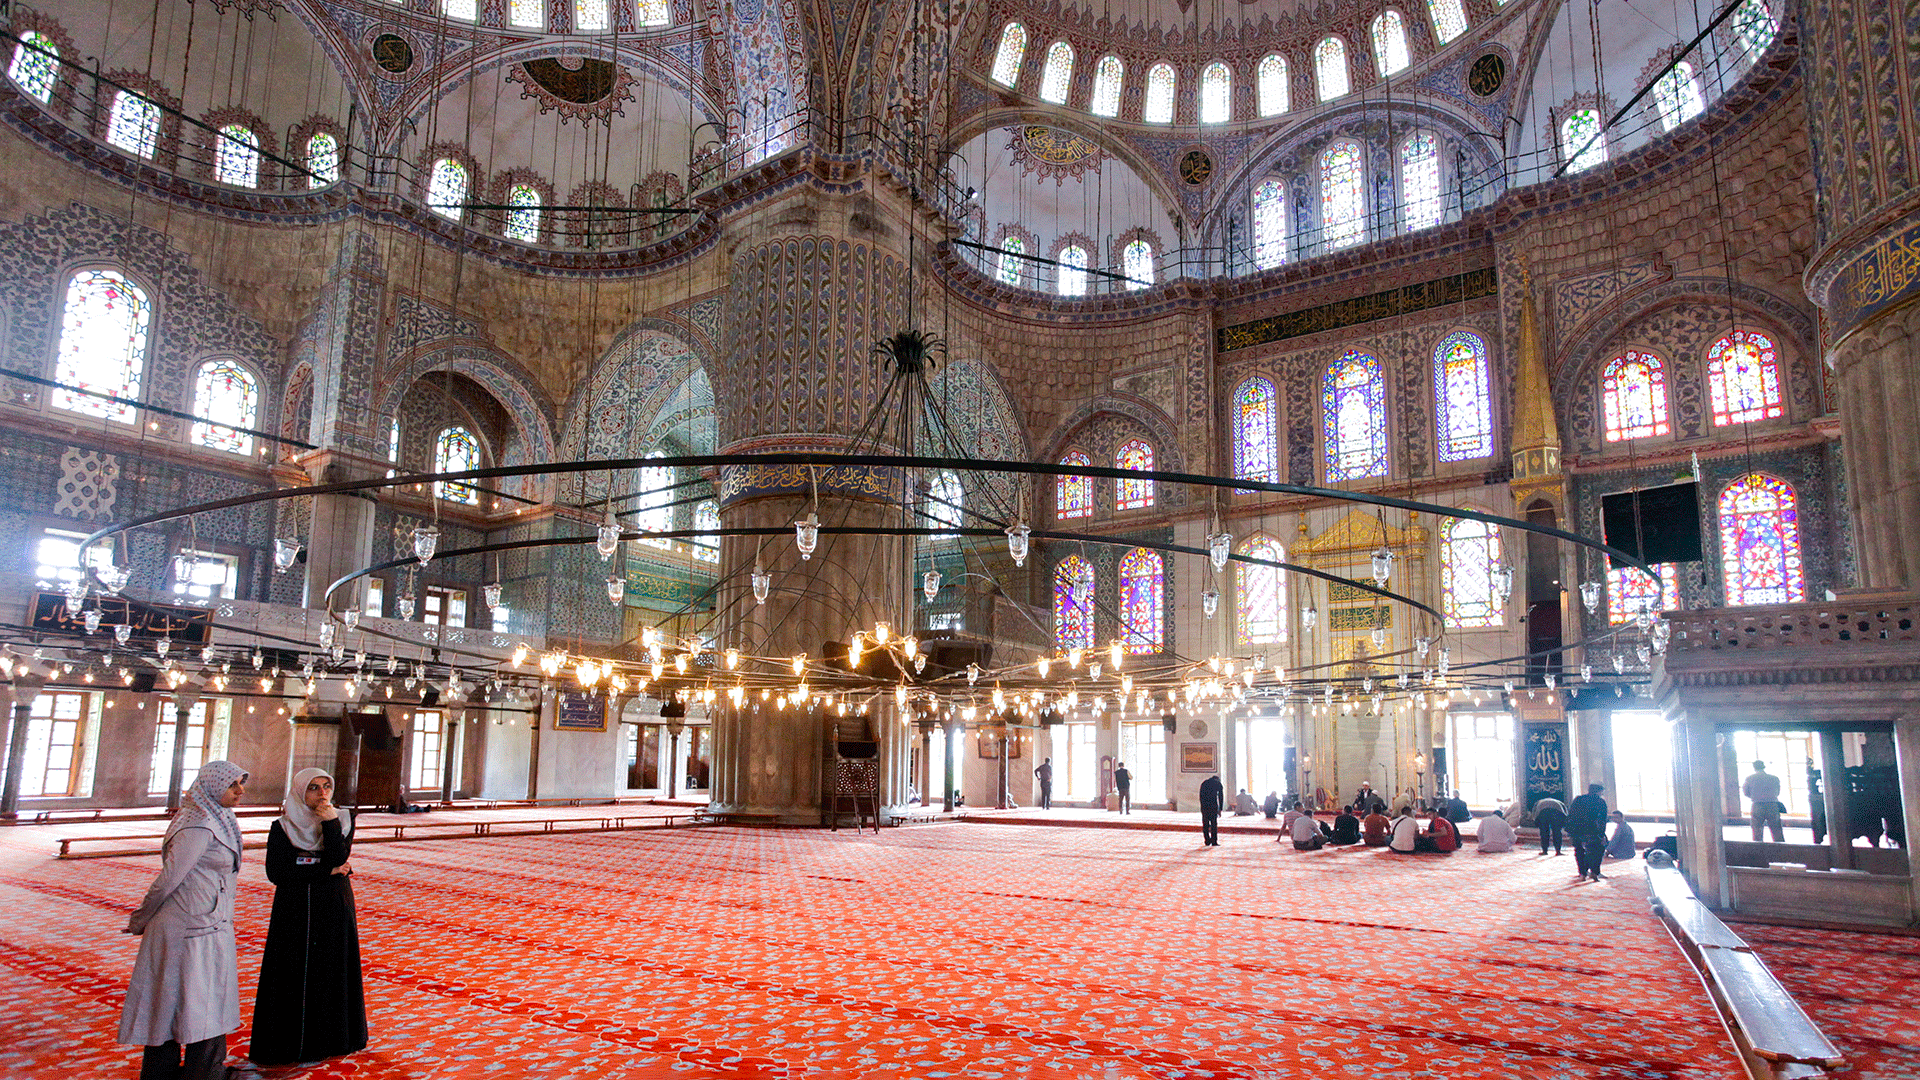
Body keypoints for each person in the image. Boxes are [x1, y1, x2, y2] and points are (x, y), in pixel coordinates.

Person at [119, 761, 249, 1080]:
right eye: (233, 785)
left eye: (240, 784)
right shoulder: (197, 825)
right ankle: (191, 1073)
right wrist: (140, 919)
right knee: (188, 1004)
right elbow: (168, 880)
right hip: (187, 929)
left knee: (198, 1003)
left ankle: (202, 1071)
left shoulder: (218, 818)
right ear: (214, 787)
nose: (240, 791)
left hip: (207, 922)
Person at [251, 769, 367, 1066]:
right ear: (301, 791)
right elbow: (277, 873)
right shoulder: (283, 826)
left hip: (333, 906)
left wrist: (329, 824)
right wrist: (325, 871)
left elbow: (337, 859)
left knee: (331, 967)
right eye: (314, 788)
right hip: (295, 908)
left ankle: (334, 1039)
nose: (322, 793)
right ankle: (292, 1042)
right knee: (294, 970)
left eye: (327, 786)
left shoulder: (342, 819)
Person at [1569, 783, 1610, 882]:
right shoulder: (1600, 802)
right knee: (1597, 850)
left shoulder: (1578, 799)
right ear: (1599, 791)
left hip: (1577, 830)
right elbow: (1602, 819)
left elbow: (1571, 814)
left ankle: (1582, 873)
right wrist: (1602, 833)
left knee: (1579, 851)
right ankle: (1595, 872)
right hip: (1593, 831)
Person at [1744, 760, 1784, 842]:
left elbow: (1746, 792)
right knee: (1776, 829)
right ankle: (1781, 849)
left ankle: (1759, 849)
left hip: (1757, 805)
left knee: (1757, 830)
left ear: (1754, 767)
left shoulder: (1750, 778)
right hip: (1772, 805)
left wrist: (1754, 796)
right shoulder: (1774, 778)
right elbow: (1778, 791)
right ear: (1764, 766)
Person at [1199, 774, 1224, 846]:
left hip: (1204, 806)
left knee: (1205, 824)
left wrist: (1202, 807)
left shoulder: (1204, 783)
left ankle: (1207, 840)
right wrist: (1220, 809)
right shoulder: (1217, 783)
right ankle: (1214, 841)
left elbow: (1200, 796)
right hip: (1213, 806)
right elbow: (1220, 797)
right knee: (1213, 824)